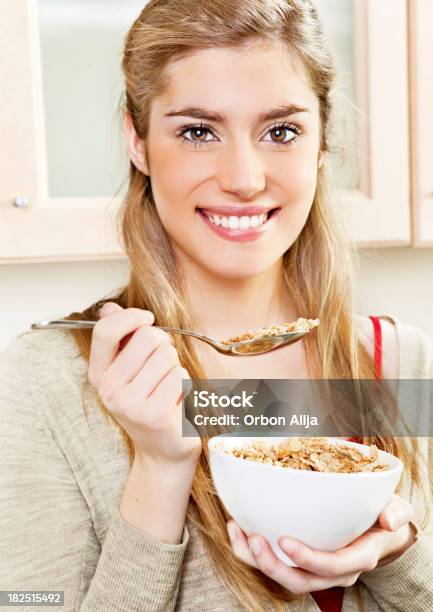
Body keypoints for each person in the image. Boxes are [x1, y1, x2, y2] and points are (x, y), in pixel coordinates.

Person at [0, 1, 432, 611]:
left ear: (321, 144)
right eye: (198, 131)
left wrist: (398, 552)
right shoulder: (47, 385)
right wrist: (158, 469)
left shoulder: (404, 368)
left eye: (280, 131)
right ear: (138, 141)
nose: (245, 177)